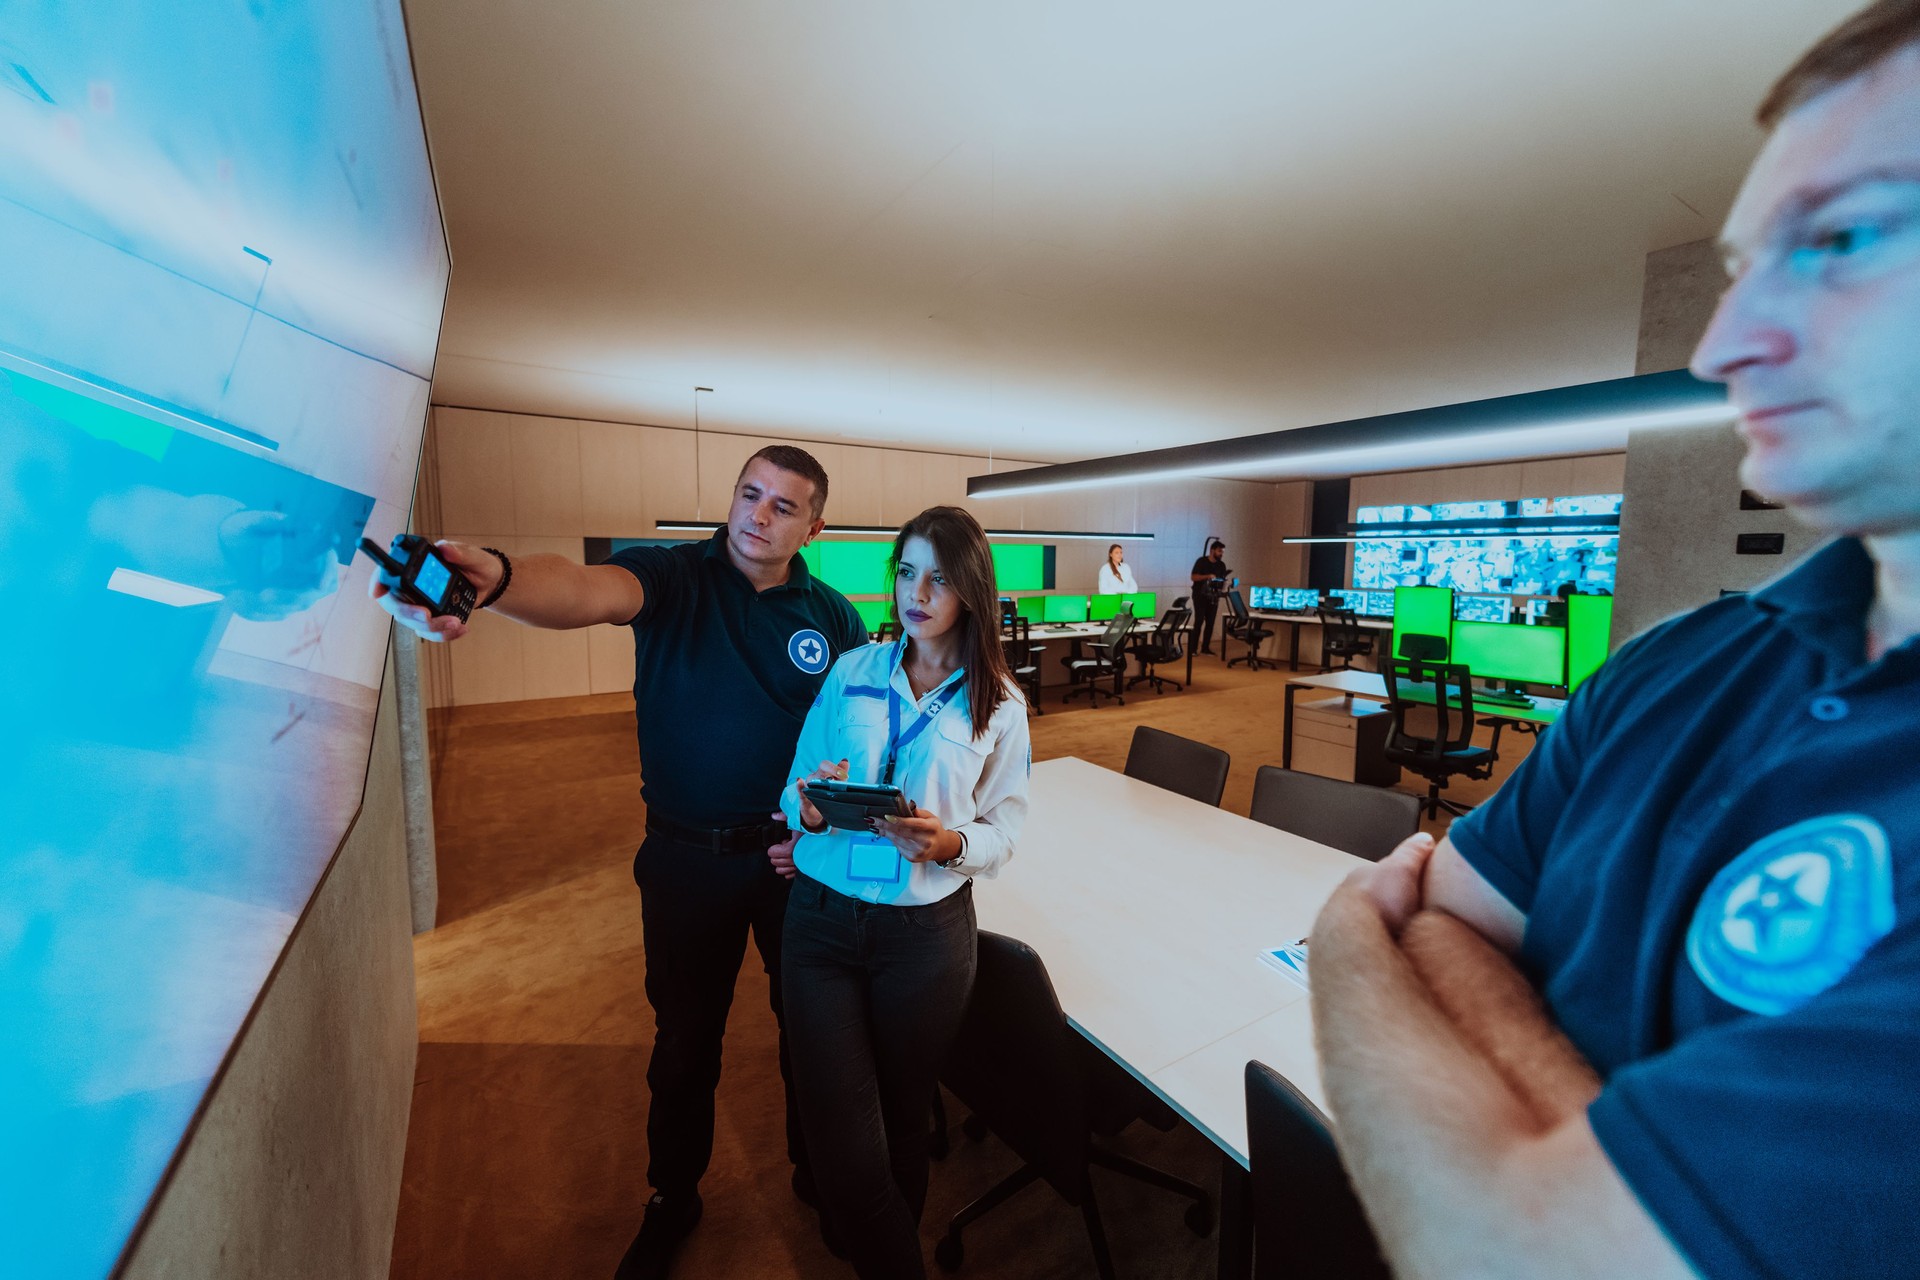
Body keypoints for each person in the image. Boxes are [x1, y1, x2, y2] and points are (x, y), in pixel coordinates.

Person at [1308, 4, 1920, 1277]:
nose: (1723, 343)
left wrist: (1350, 938)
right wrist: (1575, 1142)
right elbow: (1458, 923)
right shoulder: (1676, 661)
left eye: (1842, 236)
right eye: (1743, 267)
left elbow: (1510, 1248)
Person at [371, 444, 868, 1280]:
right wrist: (497, 577)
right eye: (749, 493)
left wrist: (816, 830)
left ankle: (816, 1175)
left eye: (784, 506)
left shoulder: (834, 616)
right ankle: (674, 1194)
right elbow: (581, 587)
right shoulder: (673, 577)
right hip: (686, 862)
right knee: (684, 1045)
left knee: (809, 1033)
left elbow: (852, 737)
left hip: (793, 862)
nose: (758, 514)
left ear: (814, 527)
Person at [772, 505, 1030, 1280]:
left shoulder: (1000, 704)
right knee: (842, 1130)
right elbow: (795, 783)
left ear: (970, 590)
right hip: (821, 924)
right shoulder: (852, 671)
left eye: (939, 579)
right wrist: (808, 807)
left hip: (925, 936)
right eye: (907, 573)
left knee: (904, 1110)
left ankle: (875, 1238)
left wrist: (948, 844)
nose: (916, 594)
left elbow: (1004, 831)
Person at [1188, 539, 1233, 653]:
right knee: (1199, 621)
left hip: (1214, 596)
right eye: (1219, 551)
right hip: (1200, 595)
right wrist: (1207, 576)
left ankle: (1205, 648)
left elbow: (1221, 580)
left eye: (1222, 552)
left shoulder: (1221, 565)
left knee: (1210, 622)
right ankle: (1193, 648)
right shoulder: (1201, 561)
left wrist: (1226, 584)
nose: (1221, 554)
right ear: (1212, 550)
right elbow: (1193, 577)